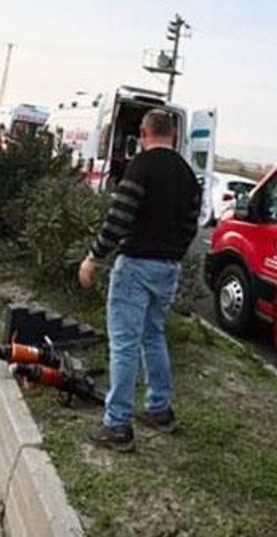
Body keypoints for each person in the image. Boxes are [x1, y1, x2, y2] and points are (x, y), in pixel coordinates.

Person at [77, 109, 200, 452]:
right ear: (173, 135)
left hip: (136, 266)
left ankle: (117, 424)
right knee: (153, 335)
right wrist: (171, 253)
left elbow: (119, 218)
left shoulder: (141, 167)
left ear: (144, 133)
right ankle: (159, 408)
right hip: (168, 268)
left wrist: (93, 257)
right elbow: (191, 226)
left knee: (125, 344)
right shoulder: (188, 175)